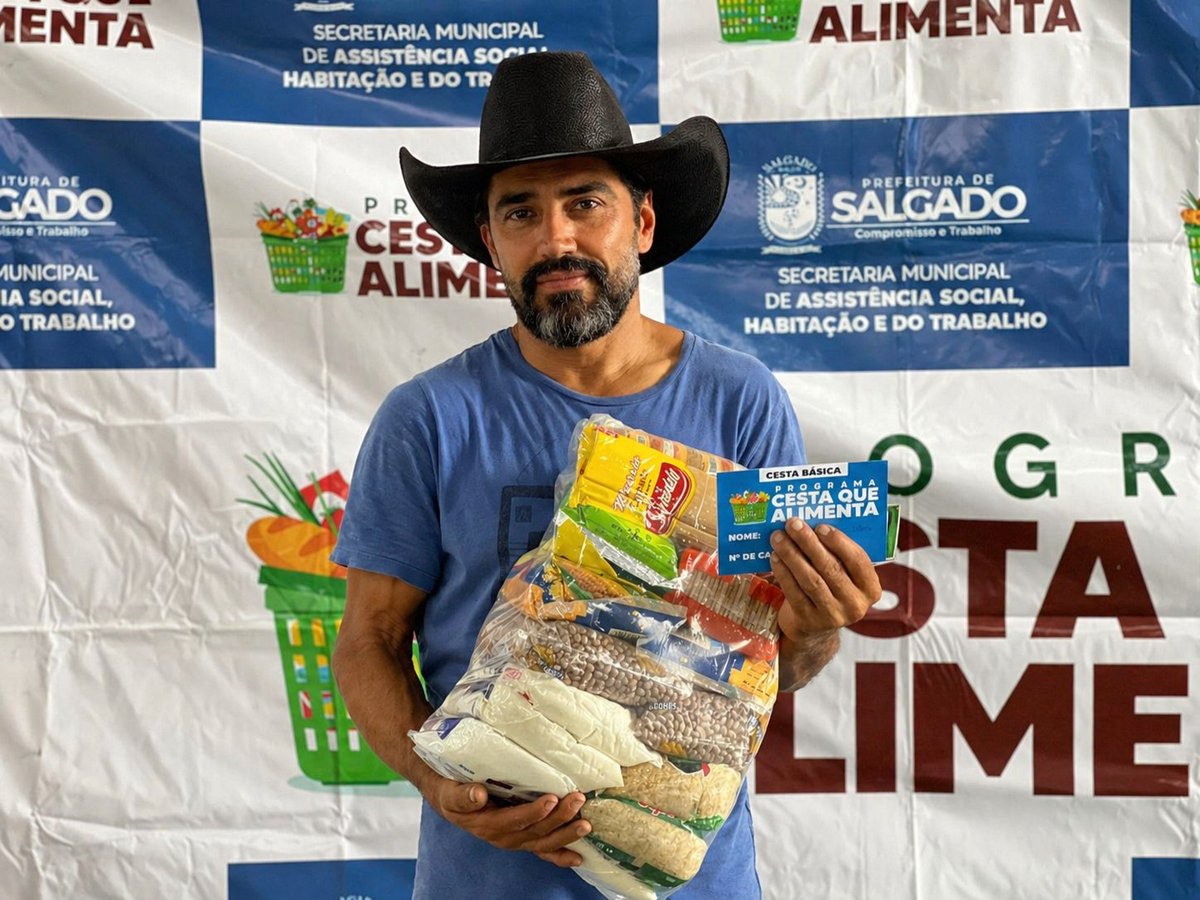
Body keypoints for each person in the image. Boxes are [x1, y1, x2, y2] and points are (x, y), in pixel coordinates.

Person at [330, 51, 882, 898]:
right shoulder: (428, 417)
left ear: (644, 224)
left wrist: (817, 626)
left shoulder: (740, 401)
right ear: (491, 241)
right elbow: (367, 640)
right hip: (484, 879)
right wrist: (438, 781)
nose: (557, 240)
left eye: (585, 203)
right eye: (521, 213)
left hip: (687, 877)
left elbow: (765, 669)